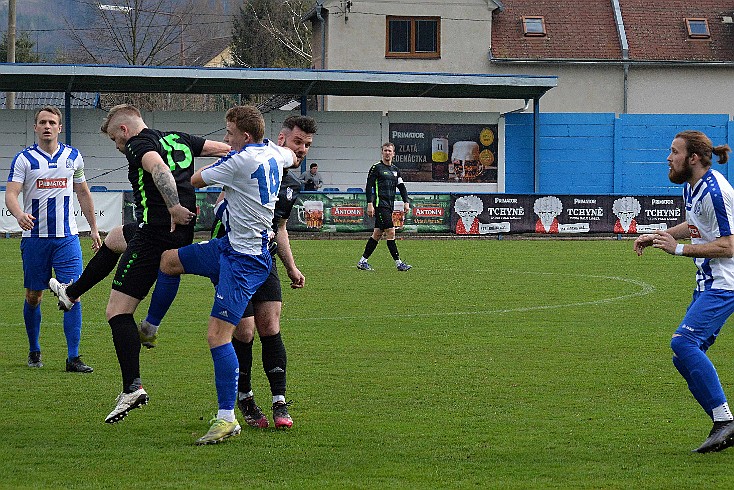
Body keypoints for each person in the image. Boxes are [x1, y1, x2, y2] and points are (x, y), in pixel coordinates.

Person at [51, 104, 231, 424]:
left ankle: (132, 387)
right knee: (116, 237)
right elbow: (226, 149)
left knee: (117, 312)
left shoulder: (138, 144)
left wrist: (174, 205)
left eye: (114, 141)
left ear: (124, 130)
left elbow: (158, 168)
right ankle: (72, 293)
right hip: (177, 230)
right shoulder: (176, 137)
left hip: (156, 236)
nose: (118, 147)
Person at [157, 114, 317, 432]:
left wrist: (291, 266)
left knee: (270, 325)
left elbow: (280, 228)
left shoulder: (291, 183)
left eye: (309, 145)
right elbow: (216, 196)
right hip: (234, 258)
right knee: (243, 333)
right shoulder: (247, 162)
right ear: (281, 139)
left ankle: (279, 400)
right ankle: (243, 398)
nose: (303, 151)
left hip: (264, 258)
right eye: (298, 142)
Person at [634, 130, 734, 453]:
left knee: (683, 342)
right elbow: (694, 225)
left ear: (692, 158)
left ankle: (726, 422)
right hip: (708, 283)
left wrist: (678, 250)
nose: (668, 157)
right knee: (684, 356)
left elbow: (729, 246)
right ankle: (723, 422)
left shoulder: (715, 193)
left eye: (674, 152)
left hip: (724, 284)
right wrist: (657, 235)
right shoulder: (694, 189)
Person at [5, 105, 101, 372]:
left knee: (73, 294)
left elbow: (83, 192)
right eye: (42, 122)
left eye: (52, 123)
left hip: (67, 239)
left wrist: (93, 228)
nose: (47, 126)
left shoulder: (73, 157)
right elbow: (11, 193)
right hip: (35, 239)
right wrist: (18, 214)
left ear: (59, 128)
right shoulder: (24, 159)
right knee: (34, 296)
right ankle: (34, 350)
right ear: (35, 127)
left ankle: (73, 357)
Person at [356, 142, 412, 271]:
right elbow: (369, 186)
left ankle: (362, 261)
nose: (387, 153)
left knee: (377, 234)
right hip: (380, 205)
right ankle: (399, 263)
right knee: (391, 231)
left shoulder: (395, 170)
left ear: (393, 153)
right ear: (382, 152)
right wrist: (369, 204)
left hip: (389, 205)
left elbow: (402, 187)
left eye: (389, 151)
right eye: (385, 150)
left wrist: (406, 201)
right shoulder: (376, 168)